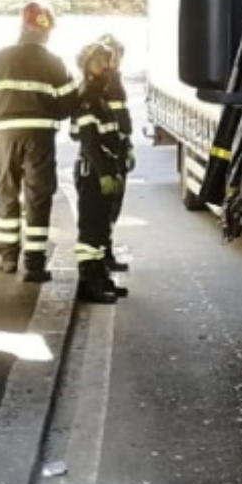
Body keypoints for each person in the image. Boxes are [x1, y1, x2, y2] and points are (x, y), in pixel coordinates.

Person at [0, 1, 78, 284]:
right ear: (43, 30)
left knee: (7, 193)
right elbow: (70, 101)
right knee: (38, 196)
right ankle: (34, 266)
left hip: (4, 136)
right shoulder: (54, 62)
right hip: (39, 136)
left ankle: (8, 258)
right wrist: (52, 115)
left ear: (23, 27)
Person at [68, 34, 135, 304]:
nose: (107, 65)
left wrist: (122, 155)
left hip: (108, 169)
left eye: (108, 60)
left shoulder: (105, 95)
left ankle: (100, 278)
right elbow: (88, 142)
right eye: (100, 61)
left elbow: (120, 130)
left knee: (102, 229)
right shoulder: (87, 97)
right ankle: (88, 284)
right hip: (94, 172)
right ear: (86, 65)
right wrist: (104, 172)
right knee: (90, 232)